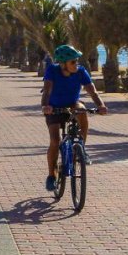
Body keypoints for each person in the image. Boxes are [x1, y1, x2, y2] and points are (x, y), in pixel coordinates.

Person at [42, 44, 107, 192]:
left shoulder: (81, 72)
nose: (76, 64)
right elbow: (46, 91)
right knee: (55, 140)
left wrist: (101, 105)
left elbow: (93, 92)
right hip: (54, 108)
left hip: (72, 104)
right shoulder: (52, 70)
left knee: (82, 109)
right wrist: (45, 106)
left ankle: (81, 148)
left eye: (76, 61)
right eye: (72, 62)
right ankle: (51, 175)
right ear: (63, 64)